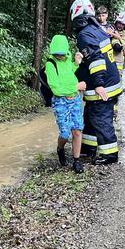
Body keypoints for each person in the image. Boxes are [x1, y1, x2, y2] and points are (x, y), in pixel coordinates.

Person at [70, 0, 123, 165]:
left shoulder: (85, 34)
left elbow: (95, 59)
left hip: (103, 86)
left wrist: (99, 84)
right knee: (91, 116)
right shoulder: (97, 29)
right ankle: (89, 147)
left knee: (101, 118)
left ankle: (110, 154)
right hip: (108, 81)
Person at [45, 34, 87, 174]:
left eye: (62, 54)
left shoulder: (67, 58)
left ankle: (76, 161)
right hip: (60, 101)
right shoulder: (50, 65)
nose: (61, 57)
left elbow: (69, 73)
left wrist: (76, 63)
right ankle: (60, 148)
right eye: (58, 54)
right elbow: (56, 88)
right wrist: (77, 87)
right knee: (65, 133)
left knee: (77, 129)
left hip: (74, 99)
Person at [112, 12, 125, 77]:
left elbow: (123, 45)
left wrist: (118, 37)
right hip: (110, 60)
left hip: (118, 61)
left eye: (122, 24)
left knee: (118, 78)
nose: (120, 25)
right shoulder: (111, 31)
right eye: (119, 23)